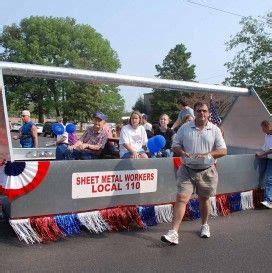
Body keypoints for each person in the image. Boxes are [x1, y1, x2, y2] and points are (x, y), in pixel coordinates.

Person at [161, 102, 227, 245]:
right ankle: (173, 232)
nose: (201, 113)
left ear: (209, 113)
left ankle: (204, 225)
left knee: (204, 200)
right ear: (194, 113)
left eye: (204, 111)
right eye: (198, 111)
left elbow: (223, 150)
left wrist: (207, 155)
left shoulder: (215, 129)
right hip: (187, 170)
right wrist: (182, 152)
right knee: (181, 198)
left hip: (207, 171)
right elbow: (175, 146)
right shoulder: (184, 128)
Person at [256, 120, 272, 208]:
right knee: (269, 179)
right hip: (269, 159)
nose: (262, 130)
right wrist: (259, 151)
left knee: (269, 179)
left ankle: (269, 201)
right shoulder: (267, 135)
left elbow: (271, 149)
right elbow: (265, 146)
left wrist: (262, 154)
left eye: (263, 128)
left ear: (267, 127)